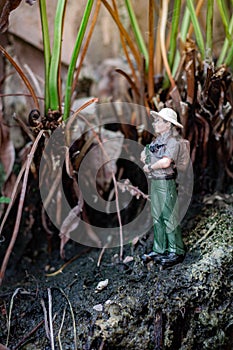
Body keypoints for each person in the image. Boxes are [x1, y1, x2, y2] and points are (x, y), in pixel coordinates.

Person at [141, 107, 186, 267]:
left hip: (166, 182)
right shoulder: (156, 142)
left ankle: (176, 250)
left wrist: (151, 166)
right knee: (157, 217)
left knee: (169, 216)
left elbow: (166, 162)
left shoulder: (172, 142)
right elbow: (147, 155)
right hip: (155, 182)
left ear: (168, 124)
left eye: (158, 120)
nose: (155, 123)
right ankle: (160, 249)